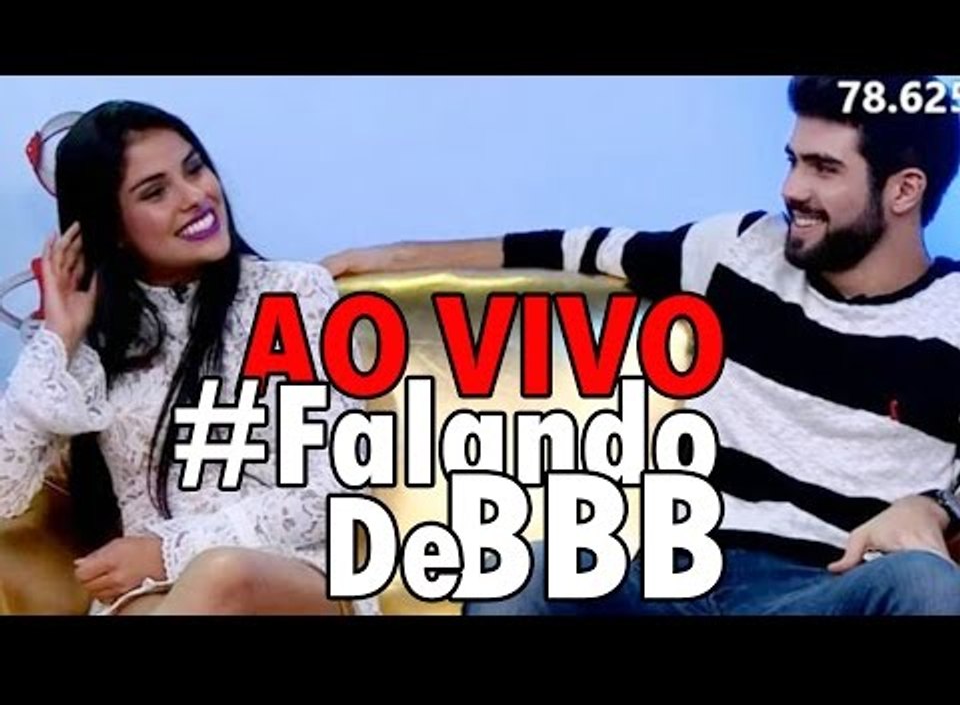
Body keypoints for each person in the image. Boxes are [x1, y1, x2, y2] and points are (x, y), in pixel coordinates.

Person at [321, 75, 960, 615]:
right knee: (525, 571)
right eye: (792, 160)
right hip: (678, 571)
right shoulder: (739, 249)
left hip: (827, 588)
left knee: (924, 583)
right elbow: (570, 248)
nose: (792, 189)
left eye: (824, 168)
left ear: (904, 190)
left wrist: (938, 509)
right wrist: (396, 257)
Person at [0, 100, 378, 616]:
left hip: (299, 579)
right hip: (152, 595)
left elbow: (335, 489)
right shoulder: (92, 344)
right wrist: (58, 339)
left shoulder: (296, 294)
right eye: (155, 192)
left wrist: (169, 551)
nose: (195, 196)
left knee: (222, 575)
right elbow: (4, 497)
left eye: (195, 168)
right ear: (112, 226)